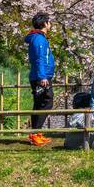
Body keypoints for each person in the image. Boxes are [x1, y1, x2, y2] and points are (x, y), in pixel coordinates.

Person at [25, 12, 54, 144]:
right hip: (40, 77)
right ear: (44, 24)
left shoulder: (39, 38)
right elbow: (39, 59)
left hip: (41, 76)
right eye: (49, 22)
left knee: (40, 103)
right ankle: (35, 132)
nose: (50, 24)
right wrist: (42, 76)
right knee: (46, 102)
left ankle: (36, 133)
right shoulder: (39, 39)